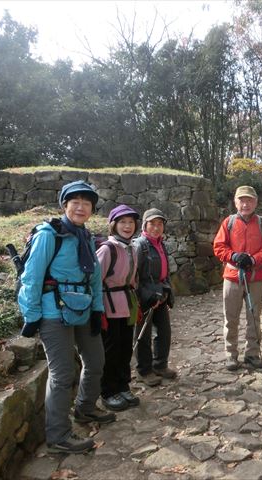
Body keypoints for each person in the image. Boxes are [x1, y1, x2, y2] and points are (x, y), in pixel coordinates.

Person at [17, 180, 115, 455]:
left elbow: (94, 278)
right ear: (64, 205)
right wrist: (32, 316)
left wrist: (97, 310)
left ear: (92, 209)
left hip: (83, 308)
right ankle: (58, 436)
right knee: (62, 374)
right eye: (75, 202)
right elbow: (32, 277)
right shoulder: (50, 235)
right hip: (52, 313)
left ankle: (85, 408)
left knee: (96, 361)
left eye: (87, 203)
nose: (81, 207)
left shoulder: (85, 237)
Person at [213, 186, 262, 371]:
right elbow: (218, 246)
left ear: (256, 202)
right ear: (235, 202)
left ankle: (252, 354)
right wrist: (233, 256)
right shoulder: (228, 223)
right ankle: (231, 354)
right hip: (233, 277)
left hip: (256, 278)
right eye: (242, 200)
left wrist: (254, 259)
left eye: (249, 200)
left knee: (254, 318)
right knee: (230, 318)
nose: (245, 204)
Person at [97, 205, 141, 412]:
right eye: (123, 222)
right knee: (111, 350)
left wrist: (136, 303)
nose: (127, 226)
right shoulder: (108, 249)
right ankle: (108, 391)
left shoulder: (132, 247)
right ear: (114, 225)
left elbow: (133, 279)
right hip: (110, 305)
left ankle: (123, 386)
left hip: (127, 303)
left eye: (131, 222)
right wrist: (98, 310)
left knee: (125, 348)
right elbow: (95, 280)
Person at [133, 208, 177, 386]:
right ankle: (144, 370)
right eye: (152, 224)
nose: (156, 228)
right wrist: (145, 296)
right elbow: (134, 275)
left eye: (160, 224)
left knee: (164, 331)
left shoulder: (160, 244)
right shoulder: (140, 246)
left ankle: (160, 365)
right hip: (145, 297)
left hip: (161, 294)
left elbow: (164, 271)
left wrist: (166, 291)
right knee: (143, 335)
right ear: (145, 225)